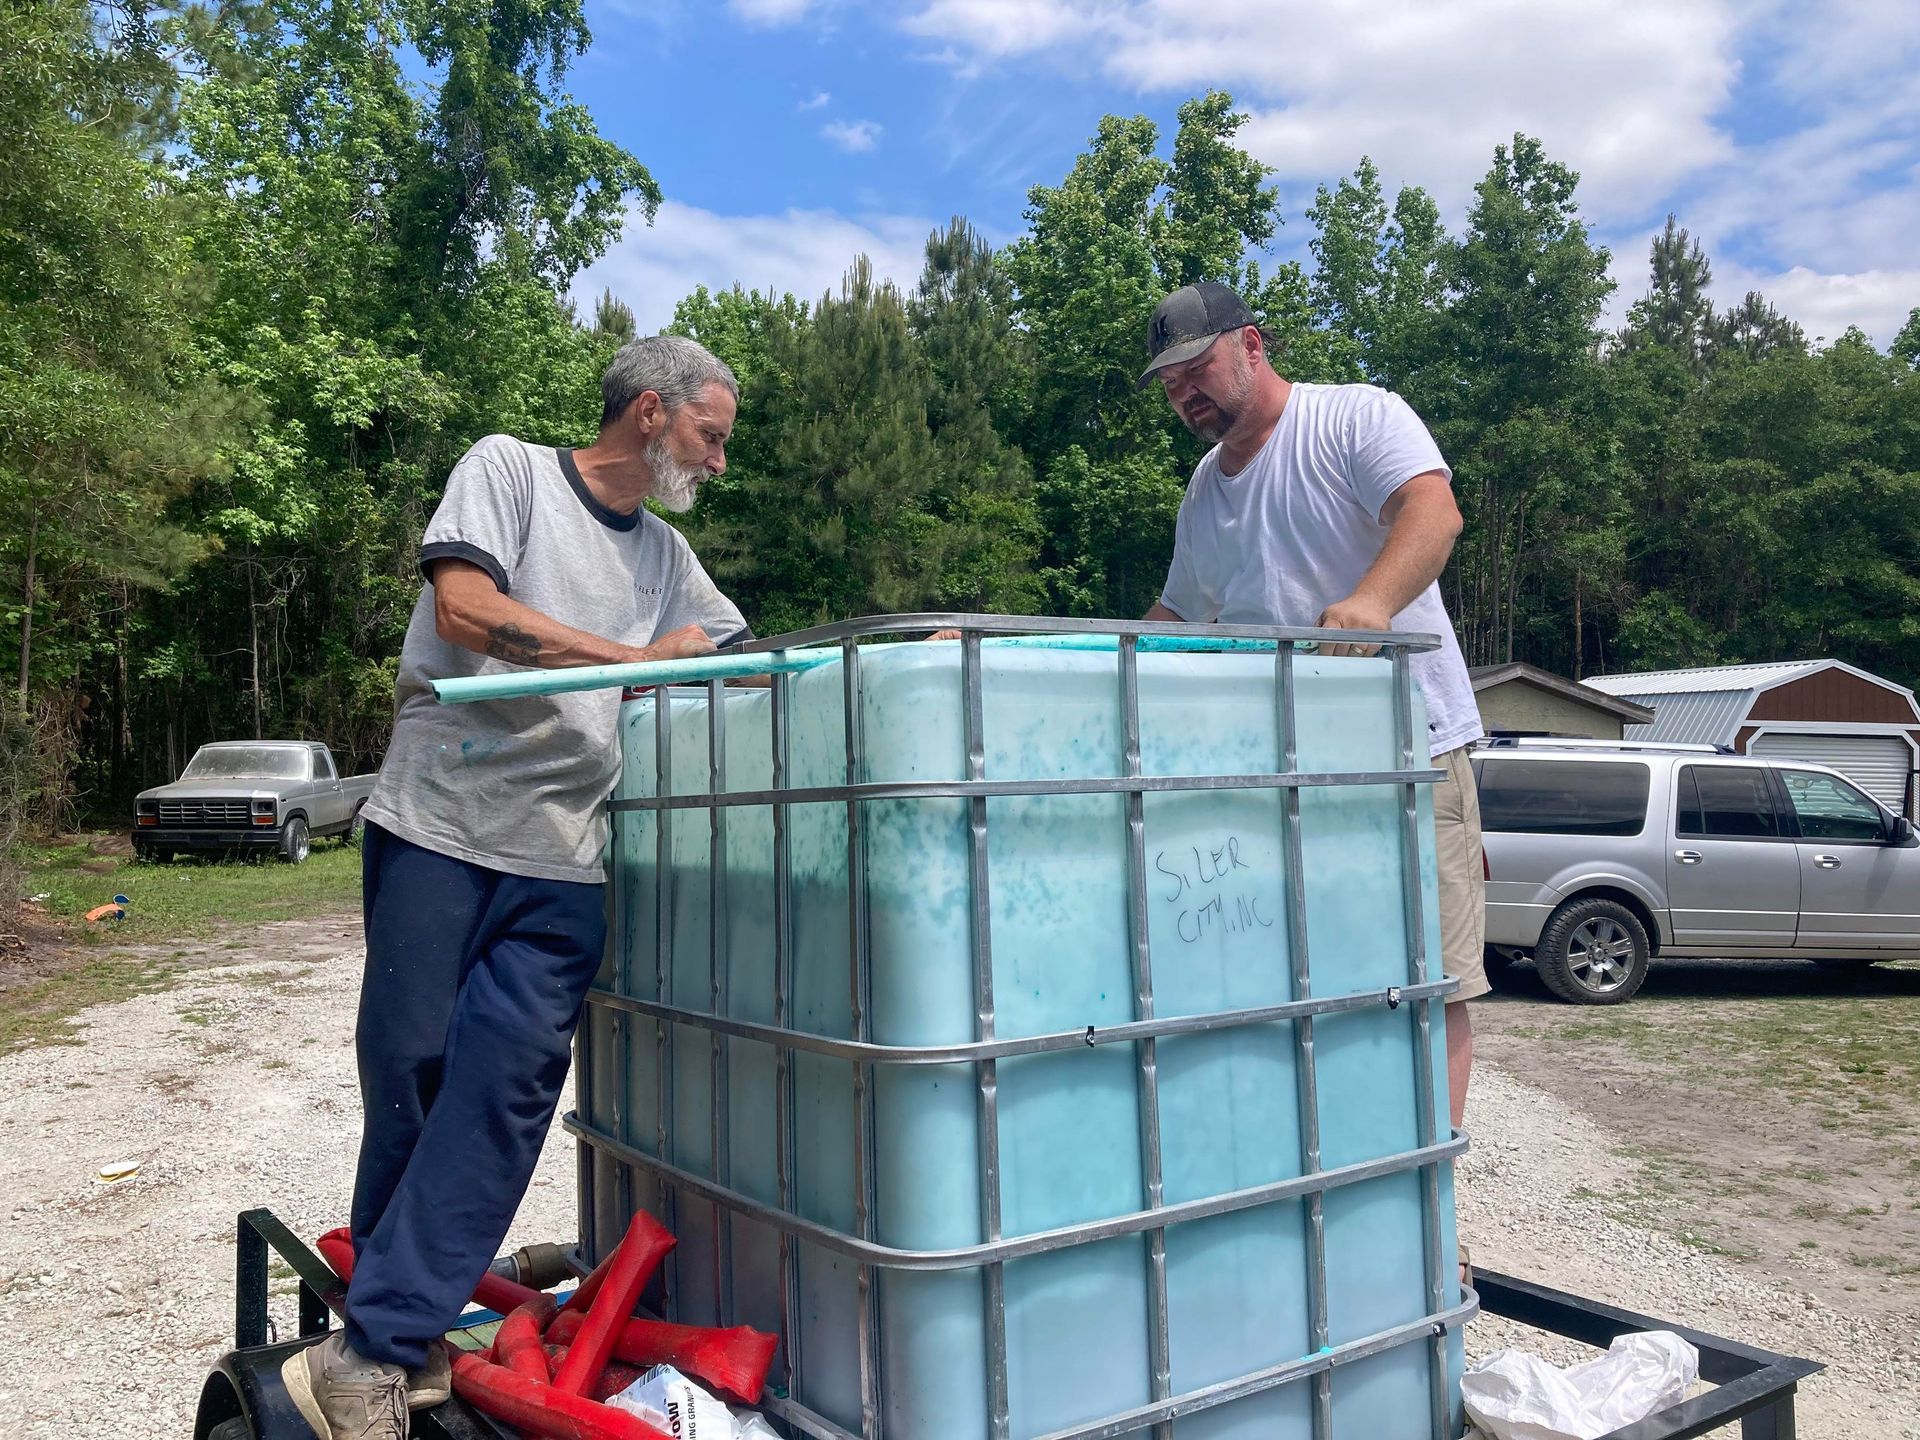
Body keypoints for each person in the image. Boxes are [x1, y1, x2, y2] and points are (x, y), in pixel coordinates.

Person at [281, 335, 749, 1440]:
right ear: (648, 412)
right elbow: (466, 612)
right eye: (711, 436)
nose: (720, 462)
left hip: (561, 858)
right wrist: (634, 662)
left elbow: (730, 645)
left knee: (503, 1102)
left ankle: (375, 1349)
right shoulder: (511, 472)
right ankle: (400, 1332)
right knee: (414, 1080)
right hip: (441, 825)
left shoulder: (670, 556)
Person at [1138, 282, 1486, 1138]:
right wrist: (1038, 658)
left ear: (1252, 345)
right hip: (1279, 777)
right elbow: (1175, 619)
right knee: (1294, 989)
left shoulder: (1354, 419)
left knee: (1424, 987)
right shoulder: (1204, 492)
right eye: (1170, 383)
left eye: (1198, 367)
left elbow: (1433, 511)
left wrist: (1371, 602)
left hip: (1407, 758)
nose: (1186, 392)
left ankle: (1426, 1214)